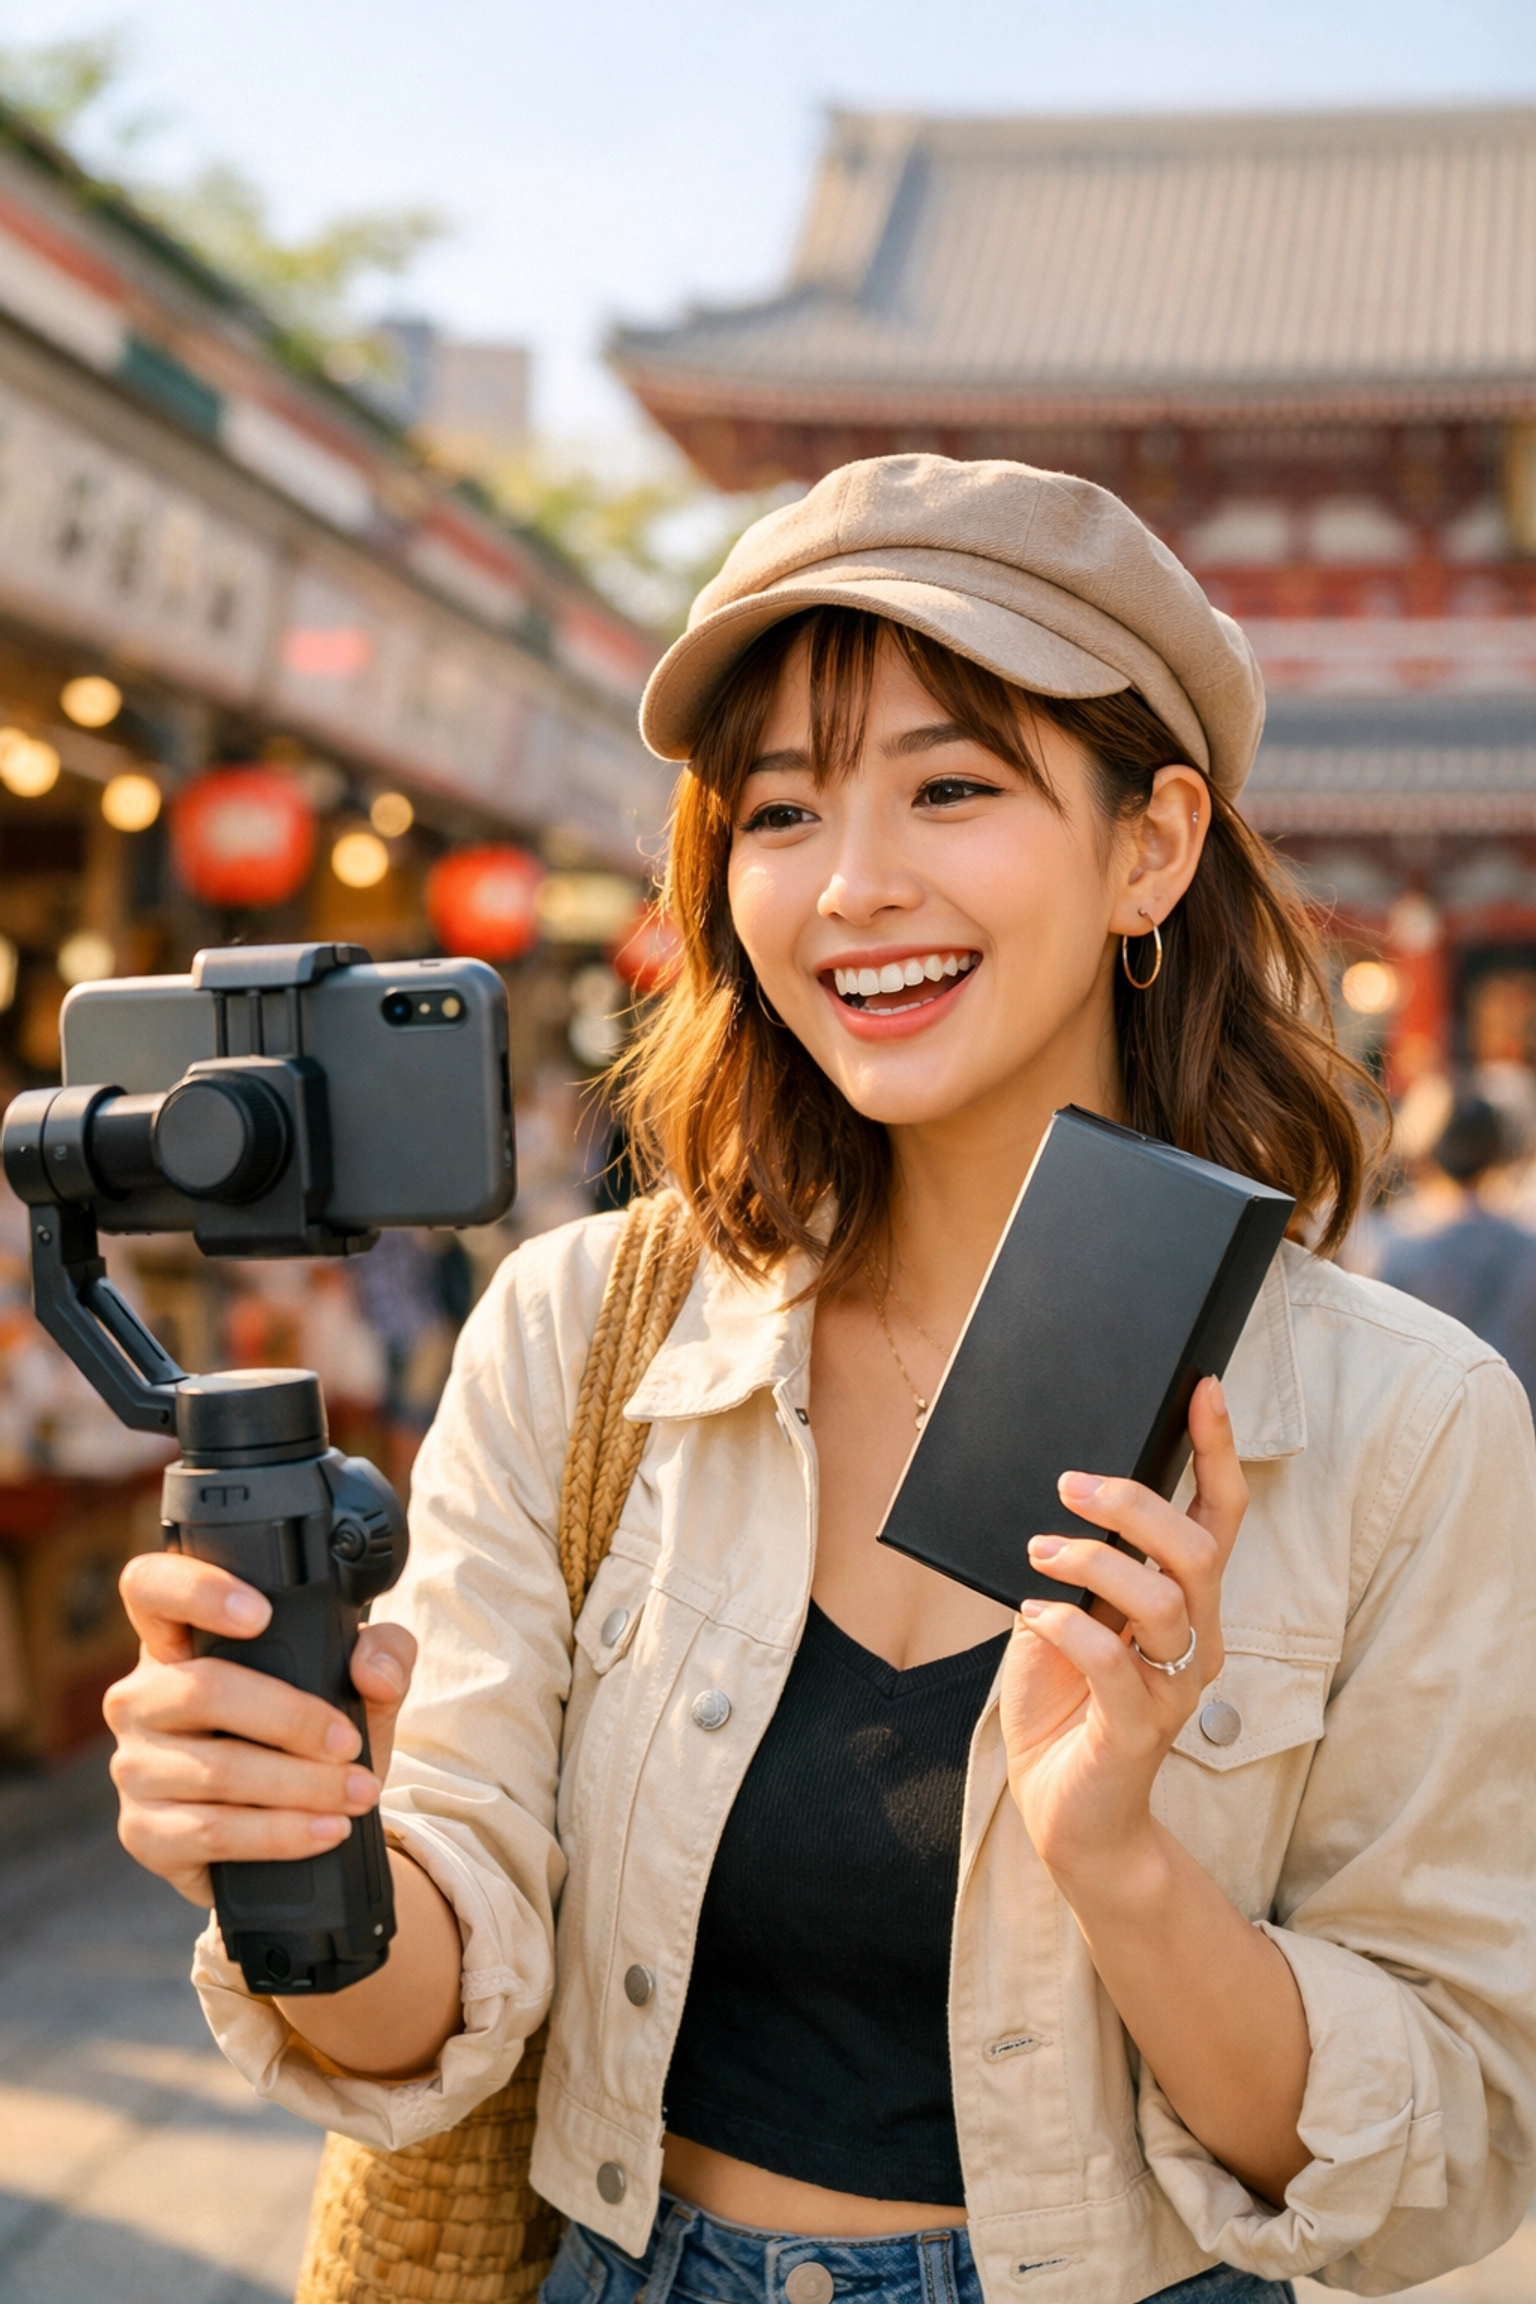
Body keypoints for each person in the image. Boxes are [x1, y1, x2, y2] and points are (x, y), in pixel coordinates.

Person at [104, 458, 1536, 2304]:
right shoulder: (576, 1329)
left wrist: (1117, 1849)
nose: (855, 885)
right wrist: (290, 1844)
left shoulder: (1406, 1420)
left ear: (1150, 845)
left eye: (951, 784)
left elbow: (1442, 2147)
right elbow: (422, 2019)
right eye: (781, 810)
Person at [1378, 1095, 1536, 1406]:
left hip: (1436, 1427)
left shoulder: (1399, 1249)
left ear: (1429, 1156)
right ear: (1496, 1153)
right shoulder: (1527, 1249)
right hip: (1521, 1424)